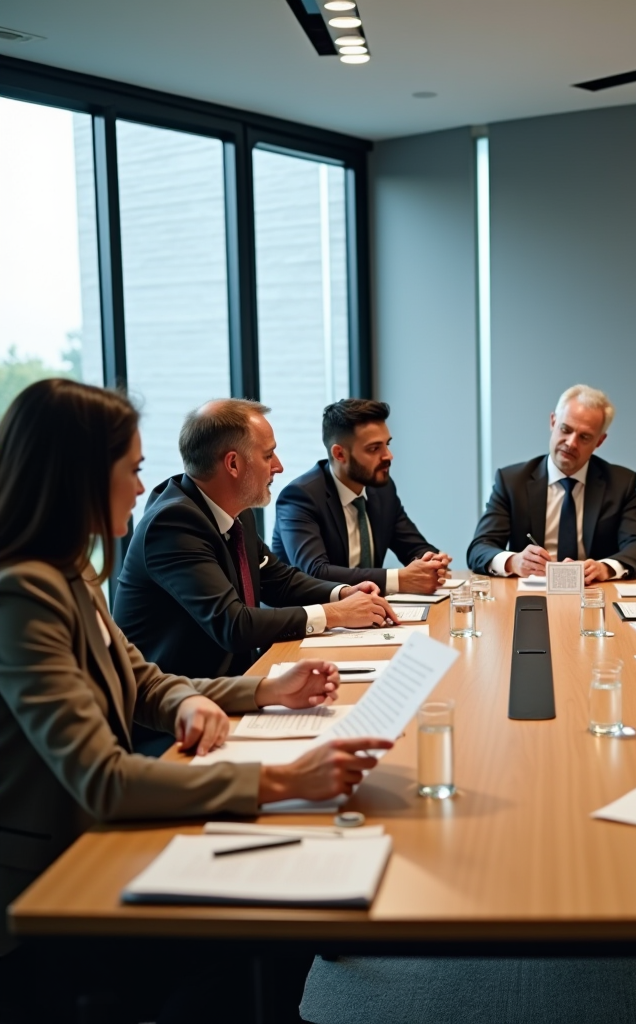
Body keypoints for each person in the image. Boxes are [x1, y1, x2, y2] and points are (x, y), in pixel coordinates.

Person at [0, 380, 392, 1021]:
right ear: (77, 477)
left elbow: (142, 677)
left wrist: (254, 690)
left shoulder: (71, 572)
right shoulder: (24, 592)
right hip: (51, 878)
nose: (137, 486)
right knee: (246, 943)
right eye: (131, 470)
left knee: (267, 931)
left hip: (94, 829)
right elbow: (100, 779)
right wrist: (282, 778)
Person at [114, 399, 398, 679]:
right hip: (180, 707)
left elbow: (279, 580)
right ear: (233, 464)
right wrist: (335, 613)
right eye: (268, 455)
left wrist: (342, 593)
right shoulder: (174, 524)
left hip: (235, 682)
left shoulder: (234, 512)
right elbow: (234, 625)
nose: (279, 466)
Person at [466, 384, 636, 583]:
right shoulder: (512, 481)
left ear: (599, 441)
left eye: (584, 437)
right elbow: (479, 548)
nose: (571, 443)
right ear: (553, 421)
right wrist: (514, 561)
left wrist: (604, 568)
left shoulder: (619, 484)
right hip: (531, 594)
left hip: (592, 593)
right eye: (565, 429)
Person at [272, 398, 451, 595]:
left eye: (387, 444)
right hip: (310, 618)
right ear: (340, 454)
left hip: (366, 614)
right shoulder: (300, 496)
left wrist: (432, 562)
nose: (388, 455)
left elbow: (413, 547)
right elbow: (315, 571)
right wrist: (398, 580)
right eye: (374, 448)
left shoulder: (382, 490)